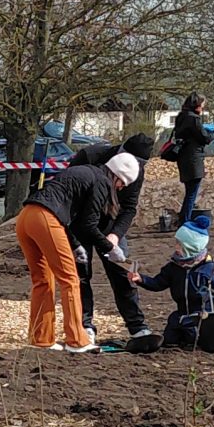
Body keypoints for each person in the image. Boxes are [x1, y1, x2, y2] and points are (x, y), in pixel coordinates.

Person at [16, 151, 130, 353]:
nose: (121, 188)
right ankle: (77, 340)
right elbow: (88, 224)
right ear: (117, 176)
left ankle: (41, 338)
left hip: (26, 216)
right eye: (123, 183)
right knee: (70, 279)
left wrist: (76, 245)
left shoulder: (84, 173)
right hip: (46, 218)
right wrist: (110, 247)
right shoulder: (102, 181)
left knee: (42, 279)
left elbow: (68, 216)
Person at [70, 136, 155, 346]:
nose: (134, 167)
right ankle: (85, 326)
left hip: (110, 223)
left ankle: (137, 327)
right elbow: (69, 191)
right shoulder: (90, 156)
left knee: (122, 272)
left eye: (140, 164)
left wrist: (115, 235)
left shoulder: (137, 172)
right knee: (81, 274)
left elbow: (129, 208)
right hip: (79, 221)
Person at [134, 223, 214, 347]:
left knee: (194, 336)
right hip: (181, 314)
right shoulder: (173, 267)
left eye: (179, 244)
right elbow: (158, 283)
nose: (176, 247)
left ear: (191, 247)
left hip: (202, 316)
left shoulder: (210, 270)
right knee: (169, 337)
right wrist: (141, 279)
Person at [166, 94, 214, 228]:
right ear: (197, 105)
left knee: (189, 191)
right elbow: (205, 138)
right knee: (191, 194)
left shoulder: (181, 117)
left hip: (183, 158)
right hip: (194, 158)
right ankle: (184, 222)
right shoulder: (194, 119)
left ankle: (183, 219)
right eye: (202, 105)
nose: (203, 108)